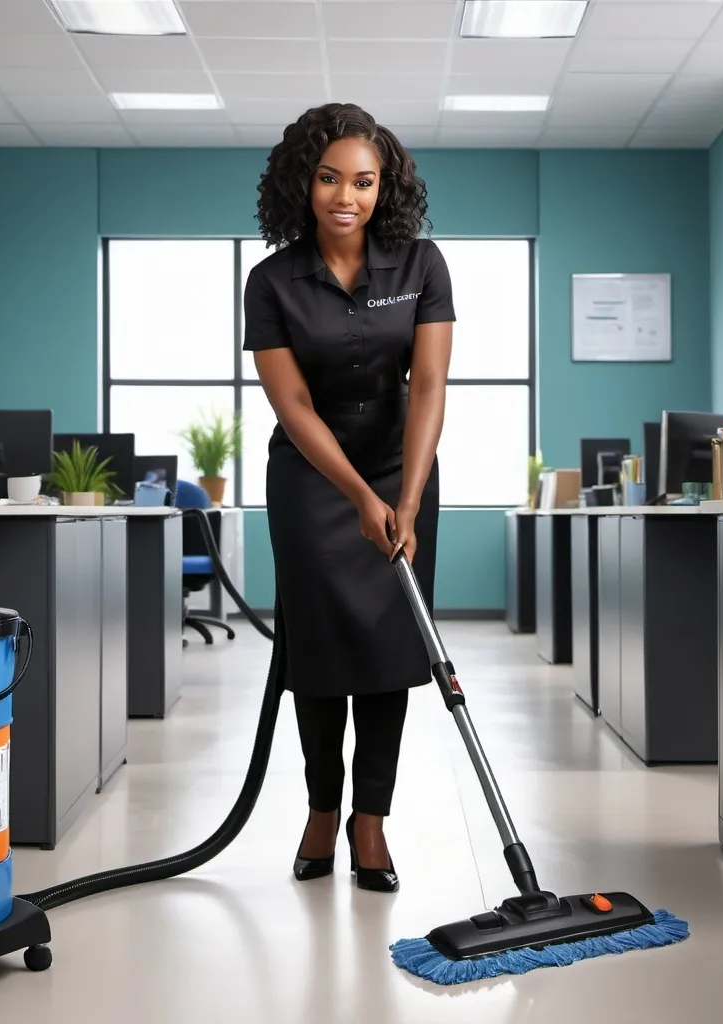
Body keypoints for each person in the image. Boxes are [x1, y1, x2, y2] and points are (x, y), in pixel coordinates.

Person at [243, 103, 455, 893]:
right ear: (303, 182)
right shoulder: (270, 282)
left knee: (388, 650)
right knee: (322, 652)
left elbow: (429, 384)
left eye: (364, 182)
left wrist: (407, 491)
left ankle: (372, 821)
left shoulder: (421, 265)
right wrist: (360, 497)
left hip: (404, 471)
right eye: (330, 178)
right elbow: (292, 406)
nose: (346, 196)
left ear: (383, 187)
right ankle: (322, 810)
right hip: (312, 479)